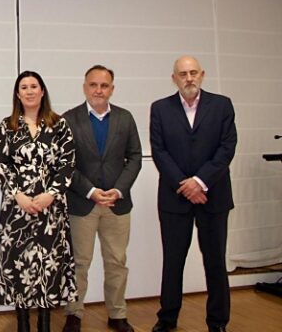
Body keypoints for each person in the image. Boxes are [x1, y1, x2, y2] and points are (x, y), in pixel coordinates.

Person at [149, 56, 237, 332]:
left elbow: (227, 148)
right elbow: (159, 151)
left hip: (214, 196)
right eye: (183, 73)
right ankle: (167, 319)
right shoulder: (160, 108)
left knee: (215, 262)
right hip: (175, 198)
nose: (189, 78)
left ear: (202, 74)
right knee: (173, 262)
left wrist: (199, 182)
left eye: (193, 72)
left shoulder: (222, 105)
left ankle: (218, 321)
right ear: (174, 78)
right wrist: (185, 185)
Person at [0, 70, 77, 332]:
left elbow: (68, 163)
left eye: (34, 86)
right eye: (24, 87)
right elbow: (0, 164)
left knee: (47, 269)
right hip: (17, 209)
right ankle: (22, 325)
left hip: (50, 209)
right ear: (17, 94)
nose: (29, 91)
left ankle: (44, 324)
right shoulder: (7, 126)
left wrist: (49, 194)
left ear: (42, 92)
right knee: (20, 267)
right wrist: (18, 195)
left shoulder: (59, 125)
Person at [61, 65, 142, 332]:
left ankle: (117, 314)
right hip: (82, 203)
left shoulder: (125, 118)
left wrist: (118, 190)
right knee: (79, 263)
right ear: (85, 87)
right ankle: (74, 313)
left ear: (112, 89)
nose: (99, 90)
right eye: (93, 85)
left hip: (117, 204)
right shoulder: (69, 120)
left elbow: (135, 158)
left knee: (116, 262)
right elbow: (65, 164)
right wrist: (90, 191)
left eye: (104, 85)